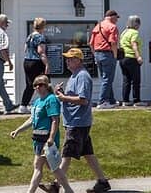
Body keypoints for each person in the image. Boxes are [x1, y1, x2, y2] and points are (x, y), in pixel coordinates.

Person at [53, 48, 111, 193]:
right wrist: (60, 93)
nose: (67, 61)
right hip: (74, 121)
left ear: (79, 60)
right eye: (67, 58)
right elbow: (72, 97)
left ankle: (55, 185)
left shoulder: (83, 76)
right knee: (88, 154)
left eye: (71, 59)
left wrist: (64, 98)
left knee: (66, 155)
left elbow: (83, 100)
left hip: (77, 122)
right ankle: (102, 182)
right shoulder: (74, 76)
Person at [10, 75, 68, 193]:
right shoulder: (37, 102)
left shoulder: (51, 99)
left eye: (40, 85)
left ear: (46, 86)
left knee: (50, 168)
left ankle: (68, 190)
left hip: (47, 140)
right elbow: (32, 119)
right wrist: (18, 130)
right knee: (42, 167)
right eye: (35, 85)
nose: (37, 87)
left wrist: (51, 138)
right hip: (38, 139)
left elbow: (55, 120)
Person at [88, 9, 120, 109]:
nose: (117, 20)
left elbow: (90, 43)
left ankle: (111, 100)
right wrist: (115, 55)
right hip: (108, 54)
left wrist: (95, 55)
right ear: (112, 17)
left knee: (105, 78)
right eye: (116, 18)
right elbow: (113, 43)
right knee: (107, 79)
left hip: (97, 54)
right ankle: (102, 102)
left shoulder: (97, 26)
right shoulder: (112, 27)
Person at [20, 17, 50, 113]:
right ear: (43, 26)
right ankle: (48, 103)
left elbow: (25, 49)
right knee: (45, 82)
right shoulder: (40, 37)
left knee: (30, 84)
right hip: (36, 62)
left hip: (27, 61)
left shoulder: (30, 36)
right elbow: (41, 51)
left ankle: (23, 105)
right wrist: (47, 65)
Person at [119, 15, 144, 106]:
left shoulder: (124, 32)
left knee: (126, 80)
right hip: (132, 58)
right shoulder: (134, 33)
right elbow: (134, 45)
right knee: (136, 80)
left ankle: (125, 100)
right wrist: (138, 57)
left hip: (123, 58)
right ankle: (136, 100)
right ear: (136, 24)